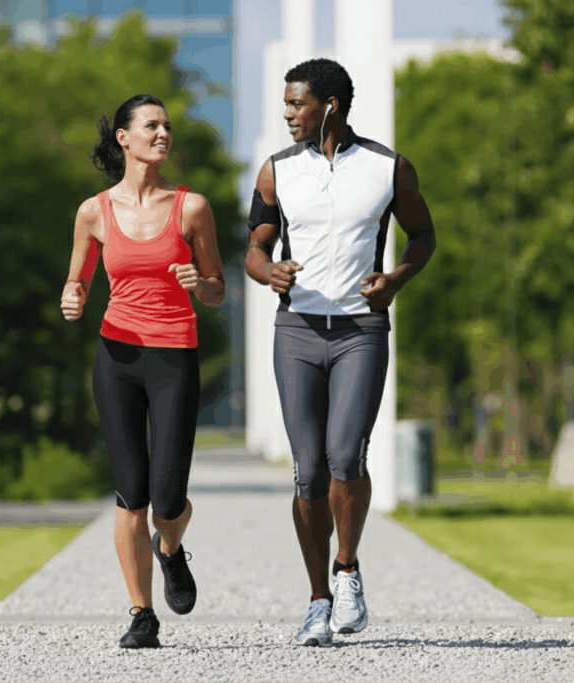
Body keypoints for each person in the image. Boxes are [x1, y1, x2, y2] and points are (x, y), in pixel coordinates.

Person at [244, 59, 436, 647]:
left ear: (328, 104)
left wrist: (396, 280)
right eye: (285, 105)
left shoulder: (388, 168)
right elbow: (253, 246)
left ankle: (347, 570)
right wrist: (268, 271)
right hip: (297, 330)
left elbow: (423, 235)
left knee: (346, 455)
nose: (287, 115)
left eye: (295, 104)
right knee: (308, 472)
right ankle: (316, 602)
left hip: (360, 331)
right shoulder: (276, 172)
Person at [62, 94, 226, 649]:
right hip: (117, 358)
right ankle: (141, 614)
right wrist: (73, 296)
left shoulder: (191, 208)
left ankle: (171, 548)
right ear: (124, 139)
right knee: (130, 494)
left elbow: (218, 290)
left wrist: (197, 283)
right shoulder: (93, 212)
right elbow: (78, 278)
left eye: (167, 126)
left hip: (174, 355)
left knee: (168, 497)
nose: (162, 133)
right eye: (151, 125)